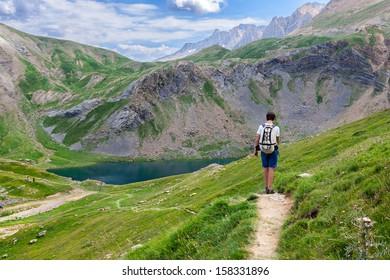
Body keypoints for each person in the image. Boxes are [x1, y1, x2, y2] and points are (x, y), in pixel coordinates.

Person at [254, 112, 280, 194]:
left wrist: (256, 150)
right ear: (274, 119)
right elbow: (277, 140)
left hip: (263, 149)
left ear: (266, 118)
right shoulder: (276, 128)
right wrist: (277, 145)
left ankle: (266, 187)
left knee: (265, 168)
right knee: (271, 168)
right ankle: (269, 188)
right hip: (272, 149)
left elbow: (257, 139)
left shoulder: (261, 126)